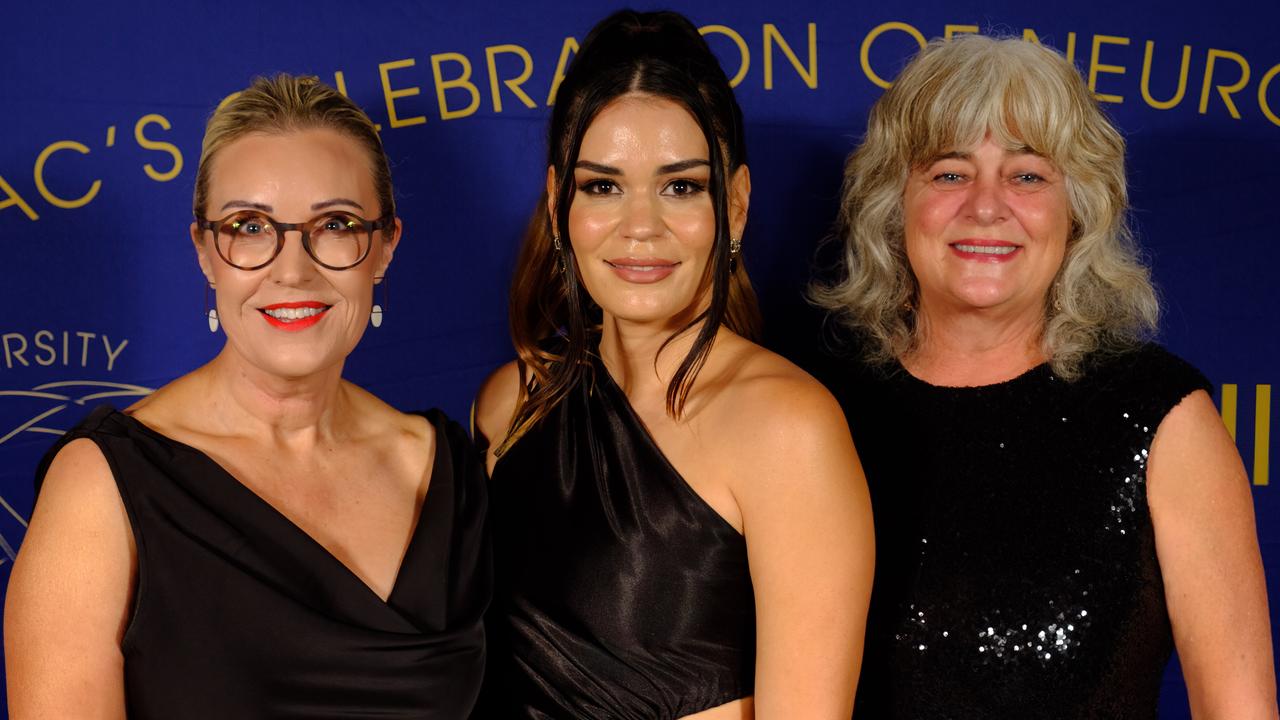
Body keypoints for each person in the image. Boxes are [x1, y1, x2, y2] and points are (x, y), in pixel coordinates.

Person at [809, 34, 1277, 717]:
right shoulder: (818, 417)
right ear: (893, 202)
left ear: (1077, 209)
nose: (987, 206)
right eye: (949, 172)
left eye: (1027, 175)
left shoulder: (1163, 420)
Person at [4, 75, 488, 719]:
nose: (293, 269)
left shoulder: (445, 467)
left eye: (336, 224)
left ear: (384, 247)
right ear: (206, 252)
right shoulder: (103, 485)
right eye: (250, 226)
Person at [473, 10, 874, 719]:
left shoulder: (788, 428)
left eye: (680, 186)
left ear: (738, 205)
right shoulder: (509, 405)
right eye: (602, 186)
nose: (640, 227)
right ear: (559, 200)